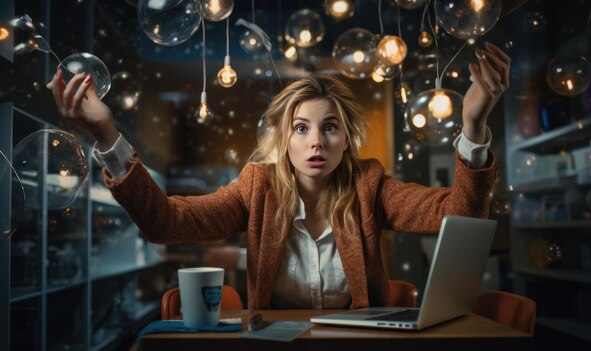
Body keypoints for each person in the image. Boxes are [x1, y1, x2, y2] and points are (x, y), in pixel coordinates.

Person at [47, 42, 510, 309]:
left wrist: (473, 127)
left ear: (346, 139)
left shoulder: (371, 184)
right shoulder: (257, 185)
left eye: (330, 128)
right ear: (284, 139)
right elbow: (166, 222)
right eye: (301, 128)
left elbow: (460, 214)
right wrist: (107, 134)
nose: (316, 142)